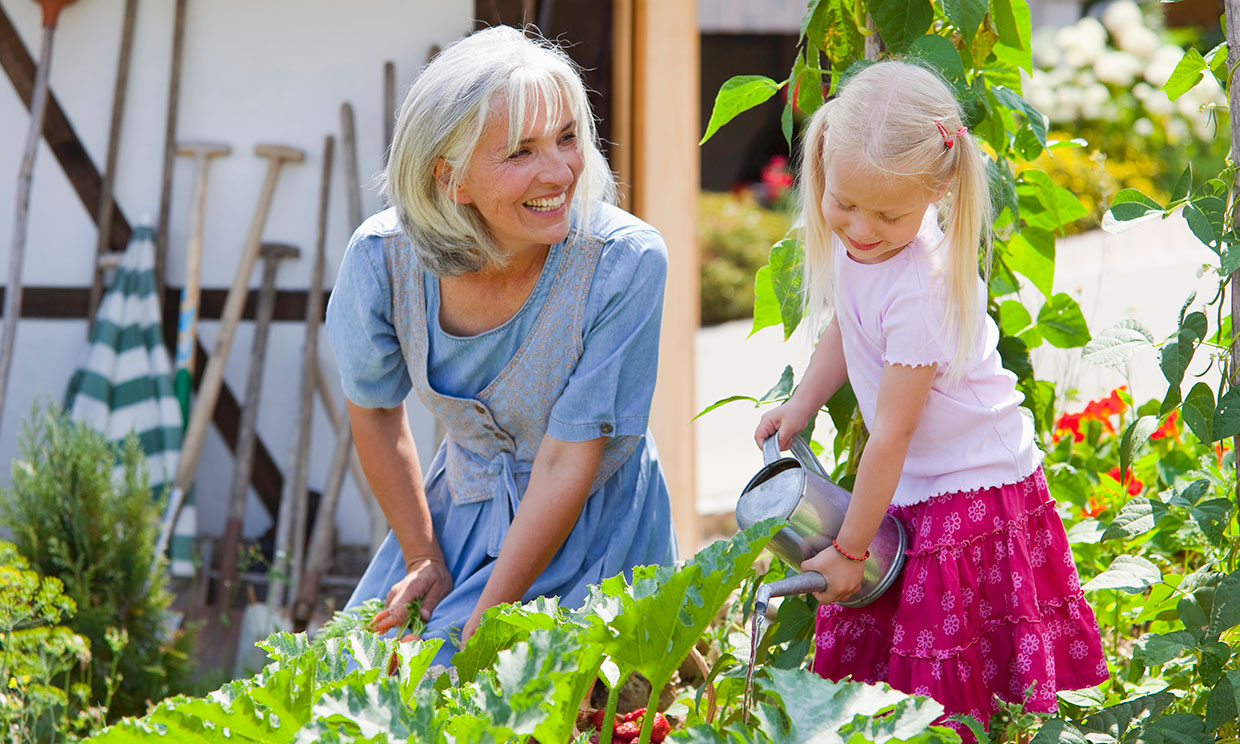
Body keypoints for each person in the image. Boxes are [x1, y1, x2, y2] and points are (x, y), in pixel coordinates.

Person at [753, 61, 1107, 738]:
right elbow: (847, 328)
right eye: (842, 202)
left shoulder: (921, 288)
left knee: (948, 676)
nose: (858, 227)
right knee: (904, 654)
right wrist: (800, 404)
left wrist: (852, 552)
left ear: (938, 190)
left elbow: (891, 434)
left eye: (887, 213)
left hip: (971, 486)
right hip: (922, 481)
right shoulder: (868, 251)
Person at [325, 25, 676, 667]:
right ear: (452, 179)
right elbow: (373, 411)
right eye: (520, 152)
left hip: (591, 527)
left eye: (567, 138)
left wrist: (478, 632)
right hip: (458, 516)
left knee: (467, 695)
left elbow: (567, 463)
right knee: (348, 688)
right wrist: (422, 556)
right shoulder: (383, 261)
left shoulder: (624, 263)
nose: (561, 171)